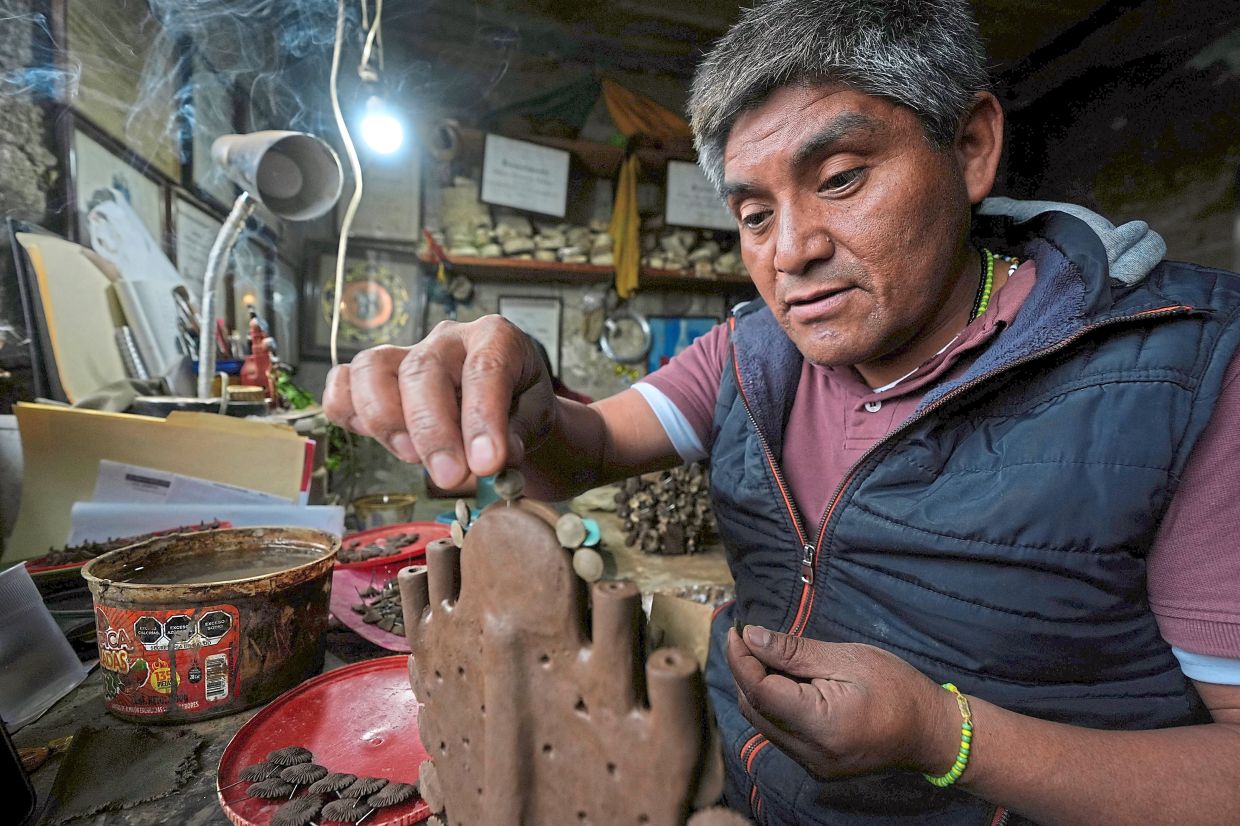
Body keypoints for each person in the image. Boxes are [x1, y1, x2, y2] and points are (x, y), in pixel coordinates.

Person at [324, 1, 1240, 822]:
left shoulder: (1185, 372)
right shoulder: (754, 351)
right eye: (754, 214)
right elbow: (588, 447)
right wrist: (526, 400)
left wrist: (944, 737)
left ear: (969, 149)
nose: (790, 251)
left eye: (840, 178)